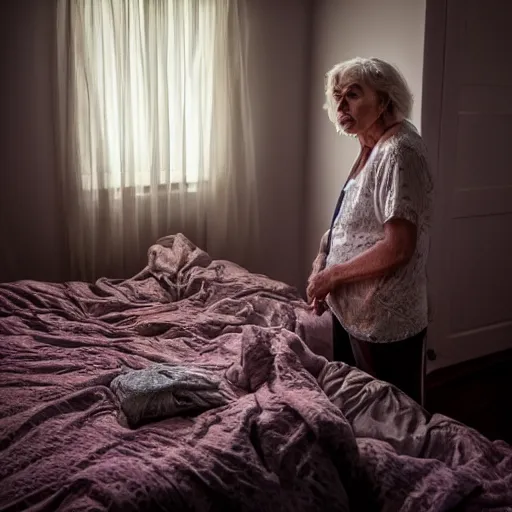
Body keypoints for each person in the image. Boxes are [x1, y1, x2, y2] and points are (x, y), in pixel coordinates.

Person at [306, 57, 433, 406]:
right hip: (354, 312)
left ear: (384, 100)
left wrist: (333, 276)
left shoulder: (398, 151)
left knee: (392, 416)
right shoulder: (370, 145)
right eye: (337, 96)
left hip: (384, 323)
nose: (341, 104)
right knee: (356, 408)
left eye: (353, 94)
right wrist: (322, 262)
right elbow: (350, 219)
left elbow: (398, 247)